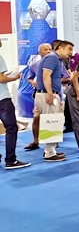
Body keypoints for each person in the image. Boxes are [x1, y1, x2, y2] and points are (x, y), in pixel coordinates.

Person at [36, 40, 74, 162]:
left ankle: (51, 150)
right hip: (48, 94)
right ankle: (50, 153)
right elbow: (46, 75)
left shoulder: (56, 59)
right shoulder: (52, 58)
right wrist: (50, 94)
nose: (71, 53)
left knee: (54, 122)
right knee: (51, 123)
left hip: (50, 94)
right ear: (61, 48)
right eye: (69, 49)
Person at [0, 40, 30, 169]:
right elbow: (1, 79)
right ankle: (11, 160)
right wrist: (14, 77)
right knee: (11, 128)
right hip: (2, 99)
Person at [24, 43, 52, 151]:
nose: (48, 51)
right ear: (40, 52)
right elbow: (29, 78)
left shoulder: (57, 62)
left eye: (50, 49)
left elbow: (66, 77)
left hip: (53, 94)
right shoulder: (35, 64)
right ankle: (36, 141)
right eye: (45, 49)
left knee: (52, 118)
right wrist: (34, 83)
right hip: (39, 94)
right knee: (36, 117)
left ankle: (51, 143)